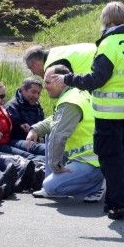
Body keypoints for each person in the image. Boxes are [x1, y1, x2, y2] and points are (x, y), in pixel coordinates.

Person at [52, 1, 124, 220]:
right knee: (121, 158)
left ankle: (122, 203)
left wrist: (68, 79)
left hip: (109, 112)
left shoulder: (109, 45)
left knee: (109, 158)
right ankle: (114, 201)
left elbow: (96, 79)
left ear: (106, 20)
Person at [26, 65, 105, 201]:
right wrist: (36, 129)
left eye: (48, 82)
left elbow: (58, 136)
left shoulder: (70, 102)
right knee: (49, 133)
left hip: (92, 163)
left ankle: (98, 185)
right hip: (90, 158)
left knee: (51, 186)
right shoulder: (76, 93)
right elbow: (56, 119)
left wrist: (55, 165)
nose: (45, 87)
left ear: (61, 81)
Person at [5, 77, 47, 153]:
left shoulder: (37, 107)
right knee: (47, 150)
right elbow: (12, 132)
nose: (36, 96)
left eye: (38, 93)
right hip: (16, 142)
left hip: (35, 140)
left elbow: (43, 124)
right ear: (23, 89)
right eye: (33, 92)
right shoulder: (12, 106)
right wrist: (24, 128)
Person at [23, 43, 97, 77]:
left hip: (96, 65)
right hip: (97, 50)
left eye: (31, 68)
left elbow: (65, 89)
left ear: (35, 63)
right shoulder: (54, 52)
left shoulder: (51, 67)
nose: (33, 73)